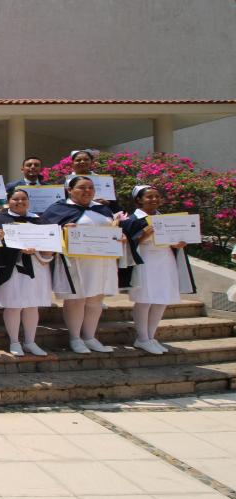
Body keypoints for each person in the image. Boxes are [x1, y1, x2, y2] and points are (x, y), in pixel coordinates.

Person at [41, 176, 126, 354]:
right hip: (75, 262)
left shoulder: (103, 209)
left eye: (90, 187)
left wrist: (120, 237)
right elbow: (45, 233)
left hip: (101, 262)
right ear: (70, 190)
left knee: (96, 299)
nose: (87, 191)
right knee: (76, 299)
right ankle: (75, 337)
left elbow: (113, 231)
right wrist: (63, 230)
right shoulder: (58, 209)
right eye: (81, 187)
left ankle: (90, 336)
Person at [120, 185, 196, 355]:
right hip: (145, 261)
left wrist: (178, 244)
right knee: (145, 299)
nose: (154, 199)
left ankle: (151, 336)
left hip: (165, 260)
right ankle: (142, 338)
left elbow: (174, 240)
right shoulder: (132, 220)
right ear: (139, 200)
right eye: (149, 197)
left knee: (161, 299)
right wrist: (143, 236)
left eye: (157, 196)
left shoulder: (167, 219)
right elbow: (126, 246)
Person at [0, 189, 55, 356]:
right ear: (8, 201)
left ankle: (30, 341)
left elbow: (50, 242)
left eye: (23, 199)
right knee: (14, 305)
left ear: (28, 201)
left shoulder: (39, 219)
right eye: (15, 199)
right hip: (12, 268)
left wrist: (42, 251)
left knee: (32, 305)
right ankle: (14, 341)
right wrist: (4, 241)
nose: (19, 202)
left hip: (36, 266)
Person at [65, 149, 122, 213]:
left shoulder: (104, 180)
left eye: (86, 159)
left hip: (100, 213)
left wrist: (108, 203)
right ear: (72, 163)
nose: (82, 162)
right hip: (73, 213)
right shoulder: (65, 181)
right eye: (78, 160)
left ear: (92, 162)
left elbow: (114, 203)